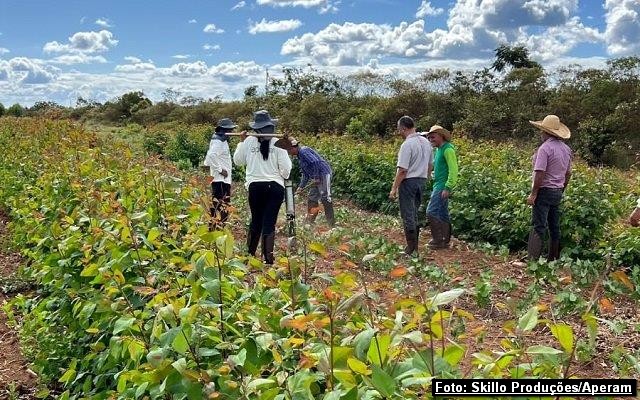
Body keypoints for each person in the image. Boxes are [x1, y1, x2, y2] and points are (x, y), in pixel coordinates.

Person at [233, 110, 292, 264]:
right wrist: (278, 175)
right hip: (275, 188)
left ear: (256, 128)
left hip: (255, 187)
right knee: (269, 222)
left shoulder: (248, 141)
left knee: (256, 220)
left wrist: (241, 141)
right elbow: (286, 170)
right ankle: (268, 260)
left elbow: (238, 161)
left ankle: (249, 255)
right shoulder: (279, 143)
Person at [527, 114, 573, 261]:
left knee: (538, 226)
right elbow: (568, 173)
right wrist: (562, 190)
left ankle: (533, 260)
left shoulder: (544, 149)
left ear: (545, 132)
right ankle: (553, 259)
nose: (540, 133)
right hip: (557, 191)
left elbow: (540, 172)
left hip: (544, 191)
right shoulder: (566, 150)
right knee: (554, 226)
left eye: (541, 131)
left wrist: (534, 193)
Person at [389, 116, 433, 255]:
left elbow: (402, 170)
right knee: (414, 213)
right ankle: (415, 247)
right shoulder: (426, 143)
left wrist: (394, 188)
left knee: (408, 214)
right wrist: (425, 177)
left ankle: (411, 249)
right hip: (421, 180)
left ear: (403, 128)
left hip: (409, 182)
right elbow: (430, 165)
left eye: (399, 129)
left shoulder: (407, 145)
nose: (399, 132)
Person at [285, 137, 335, 227]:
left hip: (323, 174)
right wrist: (301, 187)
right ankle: (310, 221)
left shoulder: (304, 151)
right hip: (315, 177)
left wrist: (316, 177)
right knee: (312, 198)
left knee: (325, 198)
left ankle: (331, 224)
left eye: (288, 150)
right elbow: (305, 174)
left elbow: (315, 162)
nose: (288, 152)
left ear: (293, 148)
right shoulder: (300, 157)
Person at [424, 125, 458, 249]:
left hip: (442, 186)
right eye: (429, 137)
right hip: (438, 185)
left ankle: (438, 240)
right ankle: (445, 240)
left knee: (431, 211)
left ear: (441, 136)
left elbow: (453, 170)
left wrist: (448, 187)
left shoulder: (448, 150)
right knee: (443, 213)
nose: (431, 139)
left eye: (433, 137)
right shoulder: (439, 150)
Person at [203, 118, 235, 229]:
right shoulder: (218, 142)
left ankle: (216, 228)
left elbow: (207, 160)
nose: (231, 133)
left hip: (222, 180)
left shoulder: (220, 141)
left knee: (220, 205)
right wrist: (220, 170)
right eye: (229, 130)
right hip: (220, 179)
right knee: (221, 206)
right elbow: (211, 156)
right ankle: (217, 229)